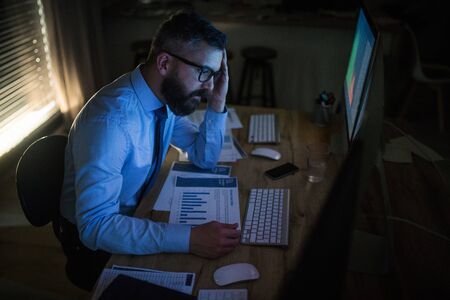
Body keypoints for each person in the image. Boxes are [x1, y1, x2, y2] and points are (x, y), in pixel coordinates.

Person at [59, 10, 241, 290]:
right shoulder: (110, 122)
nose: (208, 86)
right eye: (204, 72)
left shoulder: (165, 98)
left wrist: (217, 102)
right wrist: (190, 239)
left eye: (214, 75)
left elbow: (204, 158)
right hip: (98, 247)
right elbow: (95, 226)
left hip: (140, 212)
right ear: (165, 63)